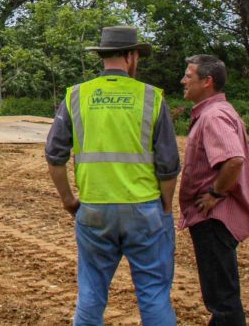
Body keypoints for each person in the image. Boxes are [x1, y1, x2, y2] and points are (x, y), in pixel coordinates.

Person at [45, 25, 180, 326]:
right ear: (131, 56)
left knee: (91, 294)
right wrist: (167, 205)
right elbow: (168, 165)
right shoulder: (152, 98)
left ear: (102, 56)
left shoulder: (76, 96)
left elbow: (55, 157)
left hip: (94, 207)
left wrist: (68, 199)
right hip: (144, 208)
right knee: (154, 294)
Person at [179, 55, 249, 326]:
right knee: (222, 297)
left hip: (213, 219)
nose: (183, 81)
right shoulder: (218, 112)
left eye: (189, 76)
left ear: (207, 81)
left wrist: (214, 194)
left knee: (222, 302)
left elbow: (234, 159)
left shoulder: (213, 116)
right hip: (215, 219)